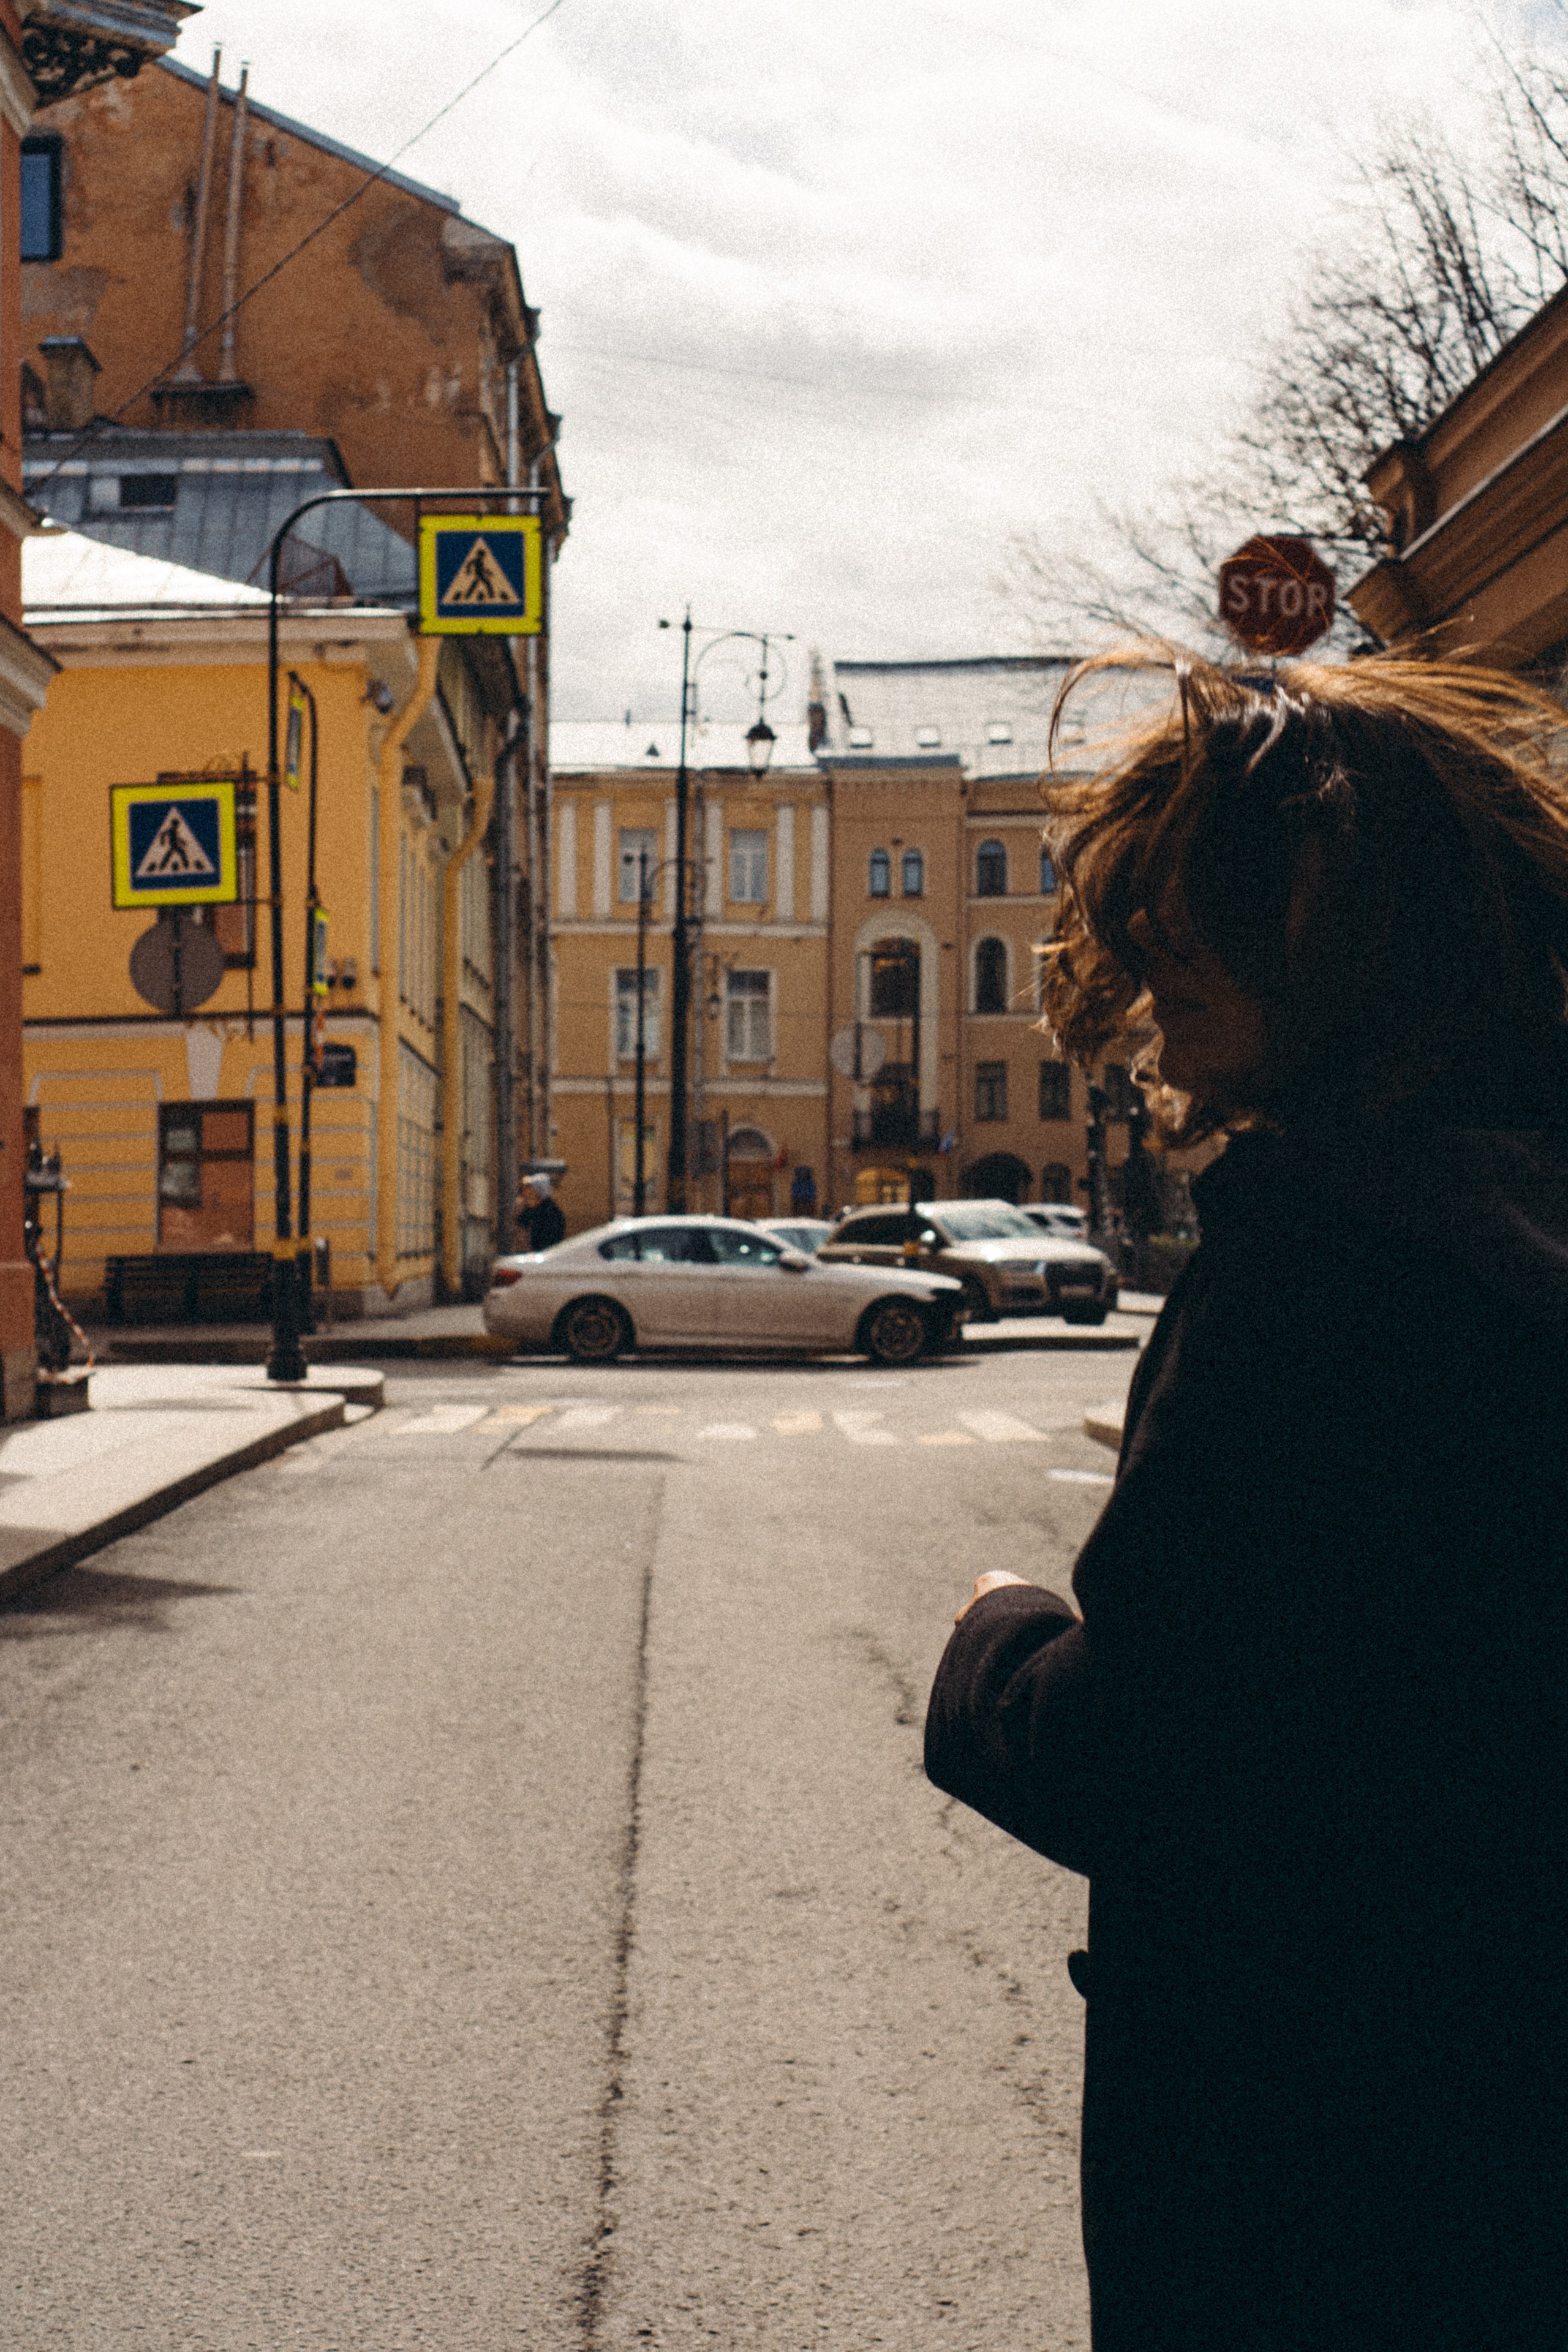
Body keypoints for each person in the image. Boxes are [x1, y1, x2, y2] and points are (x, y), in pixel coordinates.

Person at [924, 649, 1568, 2351]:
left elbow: (1162, 1753)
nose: (1150, 958)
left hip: (1308, 2151)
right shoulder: (1523, 1204)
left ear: (1349, 928)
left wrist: (993, 1648)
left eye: (1192, 908)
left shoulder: (1330, 1264)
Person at [515, 1173, 564, 1253]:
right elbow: (519, 1224)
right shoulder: (531, 1208)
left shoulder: (551, 1212)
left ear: (538, 1190)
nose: (526, 1192)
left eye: (530, 1188)